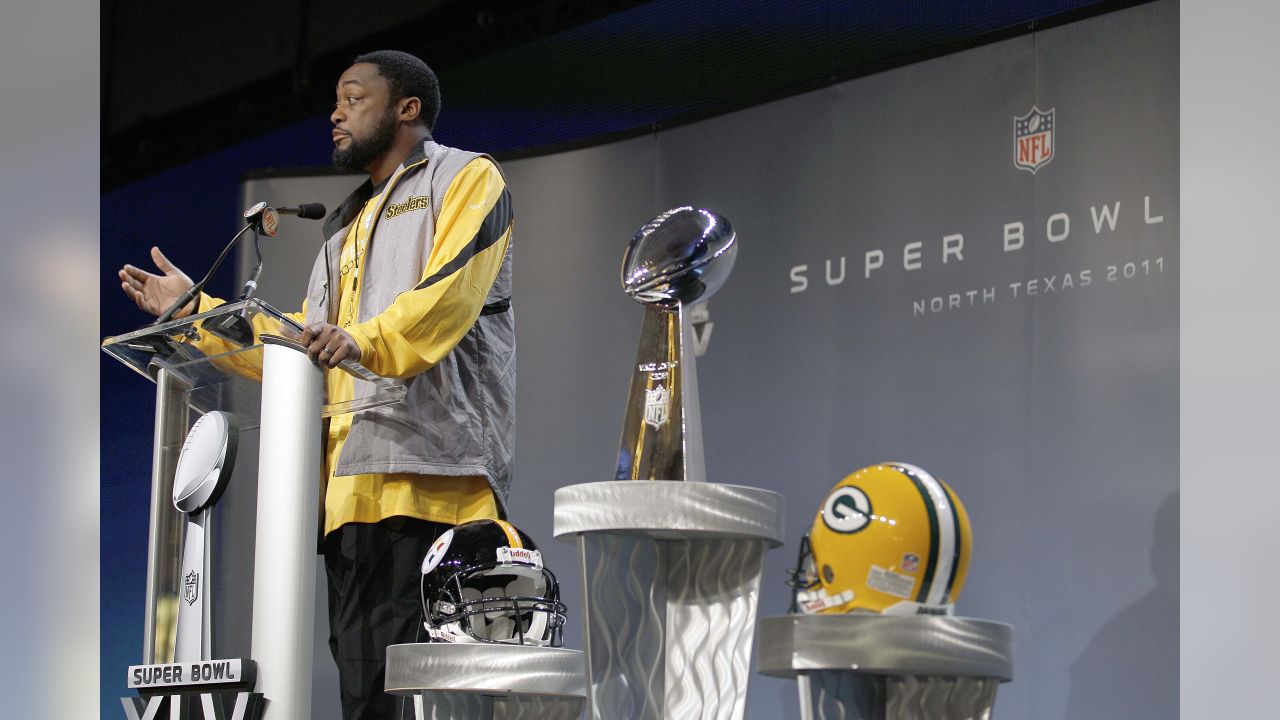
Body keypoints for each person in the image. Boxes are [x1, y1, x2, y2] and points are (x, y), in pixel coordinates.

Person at [118, 50, 515, 720]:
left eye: (353, 97)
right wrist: (195, 311)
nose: (335, 112)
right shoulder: (342, 233)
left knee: (430, 697)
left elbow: (448, 295)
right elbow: (299, 345)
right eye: (336, 99)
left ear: (406, 108)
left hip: (435, 483)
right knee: (365, 697)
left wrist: (364, 339)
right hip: (346, 498)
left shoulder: (467, 178)